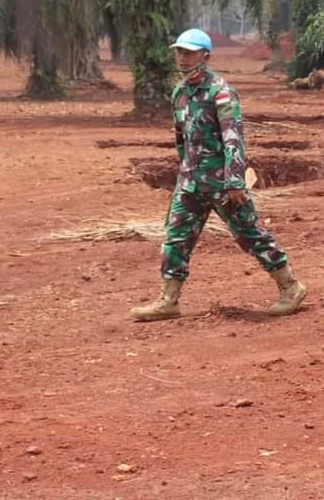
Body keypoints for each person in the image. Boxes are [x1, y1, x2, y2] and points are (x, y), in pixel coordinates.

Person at [131, 29, 305, 321]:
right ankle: (169, 300)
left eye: (189, 52)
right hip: (190, 183)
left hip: (222, 183)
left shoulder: (221, 93)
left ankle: (290, 286)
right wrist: (184, 173)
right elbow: (181, 140)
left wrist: (235, 181)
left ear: (206, 56)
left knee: (250, 234)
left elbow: (233, 138)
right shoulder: (180, 93)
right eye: (179, 52)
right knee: (175, 239)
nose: (182, 57)